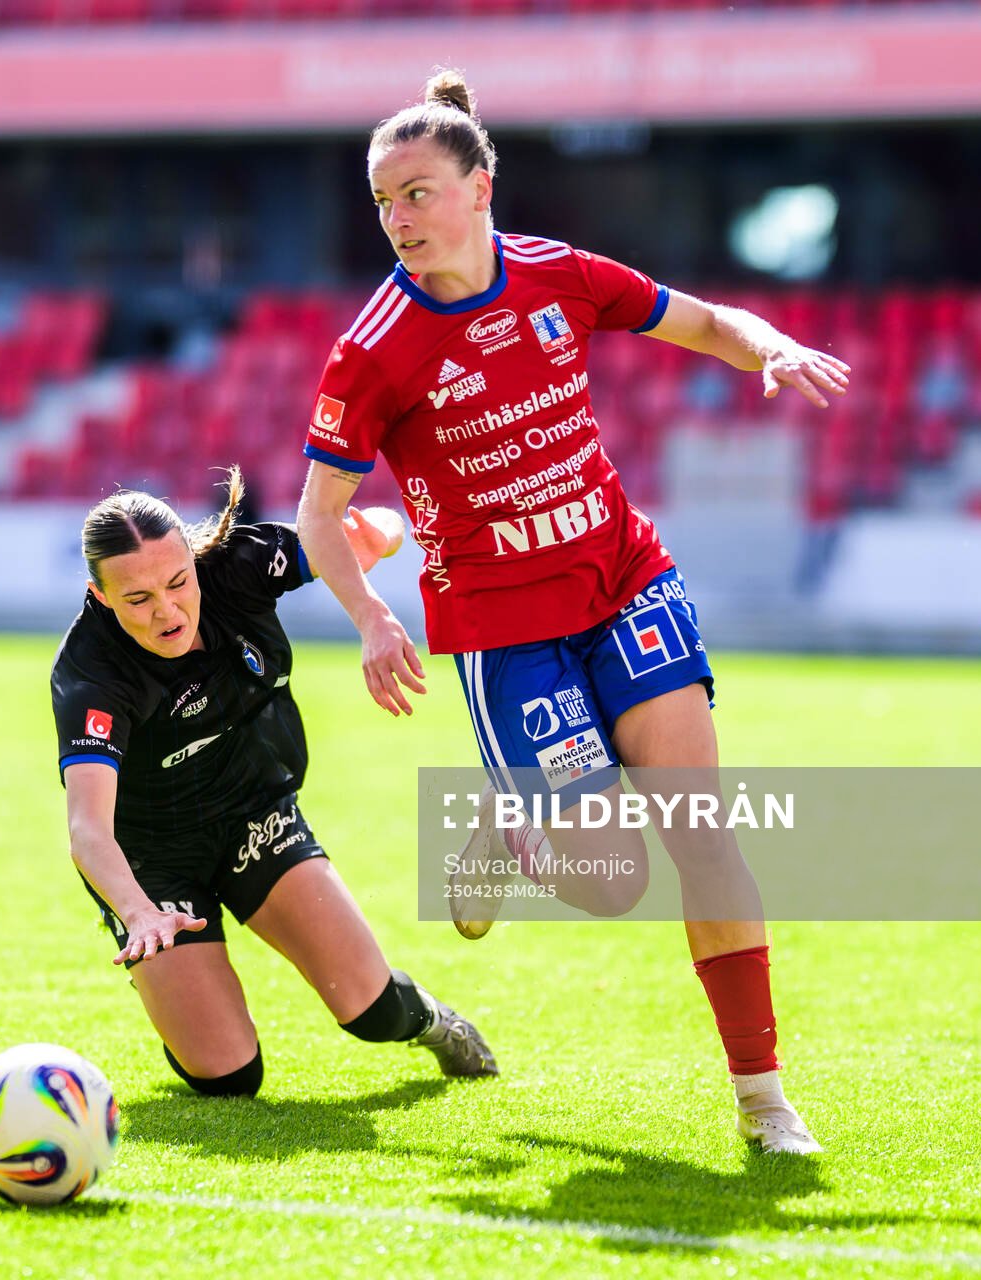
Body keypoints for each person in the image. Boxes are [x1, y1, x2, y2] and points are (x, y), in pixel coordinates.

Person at [294, 71, 850, 1154]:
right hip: (503, 631)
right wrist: (370, 617)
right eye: (383, 203)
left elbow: (705, 319)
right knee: (611, 880)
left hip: (624, 579)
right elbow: (321, 513)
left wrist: (769, 345)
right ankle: (508, 836)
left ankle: (764, 1100)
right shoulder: (373, 348)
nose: (399, 220)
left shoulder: (558, 274)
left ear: (479, 186)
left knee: (704, 835)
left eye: (417, 193)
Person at [52, 467, 493, 1097]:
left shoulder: (239, 565)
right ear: (101, 597)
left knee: (371, 1012)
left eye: (178, 583)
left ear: (195, 560)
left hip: (254, 812)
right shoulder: (91, 675)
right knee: (230, 1076)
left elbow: (363, 539)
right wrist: (139, 914)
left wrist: (385, 536)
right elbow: (87, 829)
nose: (167, 611)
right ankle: (171, 989)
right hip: (152, 863)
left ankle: (438, 1024)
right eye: (137, 600)